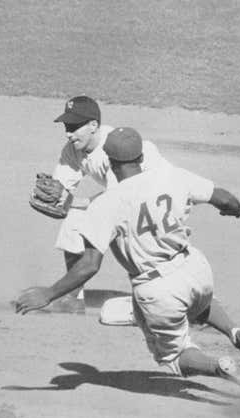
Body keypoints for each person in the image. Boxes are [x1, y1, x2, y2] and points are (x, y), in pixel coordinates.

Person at [15, 127, 240, 390]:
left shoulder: (107, 203)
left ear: (109, 161)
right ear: (140, 156)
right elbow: (225, 199)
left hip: (156, 289)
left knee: (173, 356)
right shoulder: (171, 176)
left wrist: (48, 293)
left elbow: (89, 265)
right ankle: (237, 333)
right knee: (199, 302)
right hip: (194, 267)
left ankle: (219, 367)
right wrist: (235, 210)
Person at [44, 95, 169, 314]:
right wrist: (58, 198)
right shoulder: (72, 148)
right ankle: (73, 297)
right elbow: (62, 192)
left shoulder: (114, 147)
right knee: (74, 220)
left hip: (160, 199)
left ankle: (194, 301)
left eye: (74, 127)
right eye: (66, 126)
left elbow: (116, 203)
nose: (68, 133)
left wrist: (72, 202)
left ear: (93, 125)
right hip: (125, 197)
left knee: (147, 252)